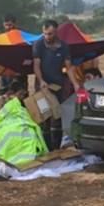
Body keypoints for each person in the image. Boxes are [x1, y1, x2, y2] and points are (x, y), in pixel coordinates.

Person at [32, 19, 80, 148]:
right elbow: (36, 65)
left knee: (57, 118)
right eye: (45, 33)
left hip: (58, 87)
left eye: (50, 34)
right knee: (45, 118)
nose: (47, 37)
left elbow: (69, 67)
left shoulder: (64, 47)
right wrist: (41, 81)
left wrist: (75, 83)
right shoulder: (38, 45)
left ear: (56, 32)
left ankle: (55, 149)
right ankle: (46, 149)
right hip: (42, 88)